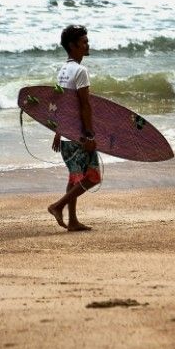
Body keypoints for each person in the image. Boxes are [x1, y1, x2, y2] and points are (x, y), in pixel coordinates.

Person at [48, 25, 101, 231]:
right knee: (93, 177)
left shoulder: (63, 71)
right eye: (84, 42)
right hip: (79, 136)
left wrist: (58, 132)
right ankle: (57, 206)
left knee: (75, 178)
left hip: (67, 135)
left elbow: (62, 106)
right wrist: (89, 135)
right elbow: (83, 106)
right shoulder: (80, 71)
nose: (88, 44)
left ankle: (72, 221)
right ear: (73, 46)